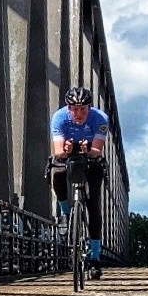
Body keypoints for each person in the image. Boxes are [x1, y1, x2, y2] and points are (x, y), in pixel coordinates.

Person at [48, 86, 109, 279]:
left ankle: (95, 258)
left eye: (83, 109)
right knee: (57, 172)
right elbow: (58, 152)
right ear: (69, 108)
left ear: (89, 107)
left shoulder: (100, 119)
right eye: (75, 109)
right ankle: (65, 213)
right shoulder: (59, 118)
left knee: (93, 203)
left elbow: (97, 150)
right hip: (68, 153)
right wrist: (66, 150)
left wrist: (87, 150)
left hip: (91, 155)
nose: (79, 113)